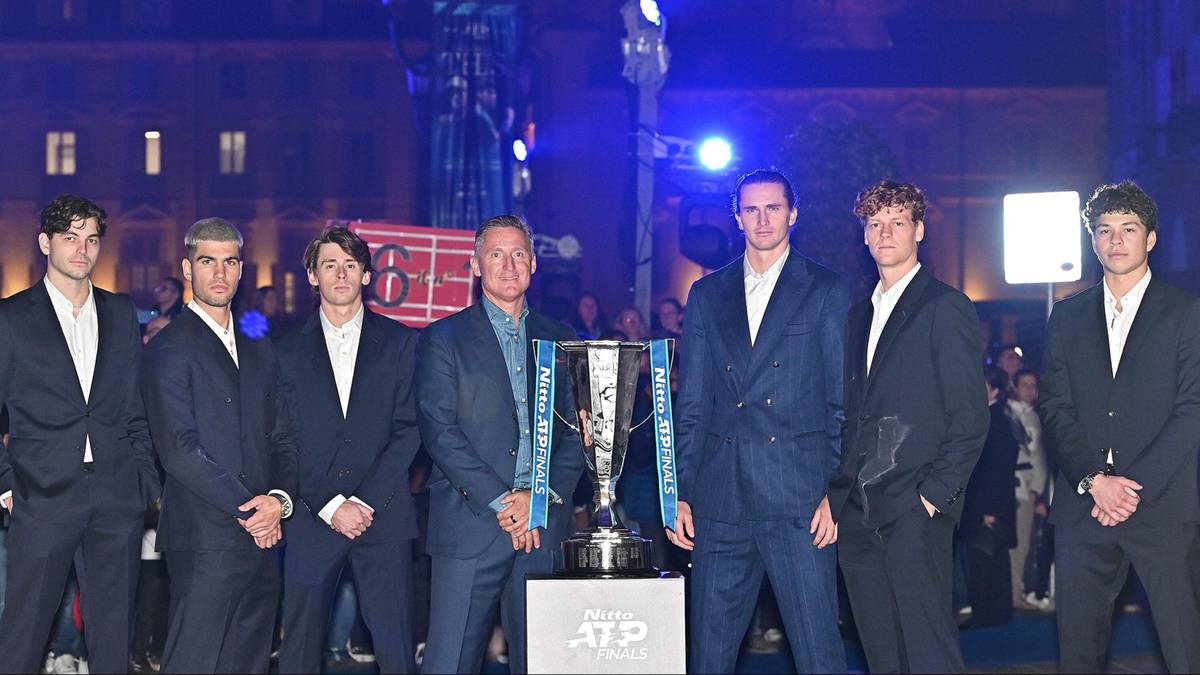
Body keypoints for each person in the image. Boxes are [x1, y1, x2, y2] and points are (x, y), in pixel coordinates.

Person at [669, 168, 851, 673]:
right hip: (721, 498)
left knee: (818, 651)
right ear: (737, 217)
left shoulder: (825, 290)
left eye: (773, 208)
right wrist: (681, 490)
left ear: (793, 214)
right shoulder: (707, 294)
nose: (763, 218)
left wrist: (836, 491)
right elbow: (694, 405)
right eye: (751, 209)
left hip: (799, 498)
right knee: (709, 653)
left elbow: (842, 402)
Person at [1040, 180, 1200, 673]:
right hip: (1082, 508)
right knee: (1079, 654)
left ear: (1150, 238)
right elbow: (1055, 408)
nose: (1116, 240)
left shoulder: (1186, 312)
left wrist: (1130, 489)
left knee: (1183, 648)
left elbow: (1191, 408)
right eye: (1105, 230)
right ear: (1092, 241)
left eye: (1128, 229)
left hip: (1163, 505)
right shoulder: (1065, 317)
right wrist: (1093, 481)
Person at [830, 180, 988, 673]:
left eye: (897, 222)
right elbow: (849, 413)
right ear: (864, 236)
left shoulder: (945, 306)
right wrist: (837, 496)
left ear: (919, 230)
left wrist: (934, 495)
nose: (885, 232)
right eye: (875, 224)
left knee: (929, 652)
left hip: (914, 507)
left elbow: (970, 414)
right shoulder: (856, 317)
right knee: (882, 655)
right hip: (857, 512)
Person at [416, 215, 585, 674]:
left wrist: (540, 498)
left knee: (546, 662)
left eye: (518, 255)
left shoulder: (562, 339)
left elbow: (576, 432)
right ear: (475, 265)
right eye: (496, 254)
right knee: (450, 662)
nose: (508, 265)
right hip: (471, 526)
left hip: (545, 527)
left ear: (533, 263)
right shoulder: (441, 339)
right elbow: (439, 432)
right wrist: (506, 502)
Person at [0, 194, 160, 674]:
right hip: (40, 494)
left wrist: (143, 482)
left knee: (114, 635)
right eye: (70, 238)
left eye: (91, 239)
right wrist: (6, 482)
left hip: (117, 496)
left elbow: (136, 408)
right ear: (46, 243)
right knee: (25, 633)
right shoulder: (10, 319)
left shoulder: (120, 312)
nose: (82, 250)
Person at [141, 217, 299, 674]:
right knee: (195, 661)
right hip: (205, 536)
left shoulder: (260, 346)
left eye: (230, 262)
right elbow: (178, 449)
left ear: (241, 269)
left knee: (249, 662)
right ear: (188, 269)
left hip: (266, 534)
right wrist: (256, 510)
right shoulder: (169, 348)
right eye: (208, 262)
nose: (219, 273)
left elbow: (284, 435)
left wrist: (280, 502)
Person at [275, 225, 421, 674]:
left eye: (350, 265)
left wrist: (363, 500)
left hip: (384, 514)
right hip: (311, 515)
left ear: (367, 275)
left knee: (396, 646)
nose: (341, 274)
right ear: (312, 276)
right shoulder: (281, 350)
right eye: (330, 265)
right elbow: (283, 439)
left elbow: (409, 429)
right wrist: (331, 504)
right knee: (299, 651)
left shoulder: (401, 342)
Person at [960, 368, 1020, 627]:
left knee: (985, 560)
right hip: (990, 502)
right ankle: (995, 612)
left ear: (994, 390)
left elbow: (995, 470)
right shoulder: (996, 417)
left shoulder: (993, 421)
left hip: (988, 504)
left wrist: (990, 508)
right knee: (991, 559)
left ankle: (986, 613)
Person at [1007, 368, 1048, 608]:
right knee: (1015, 543)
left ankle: (1016, 591)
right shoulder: (1007, 412)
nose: (1030, 390)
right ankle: (1012, 594)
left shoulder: (1035, 416)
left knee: (1023, 543)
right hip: (1013, 485)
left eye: (1033, 385)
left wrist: (1038, 489)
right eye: (1025, 384)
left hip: (1027, 487)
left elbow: (1039, 457)